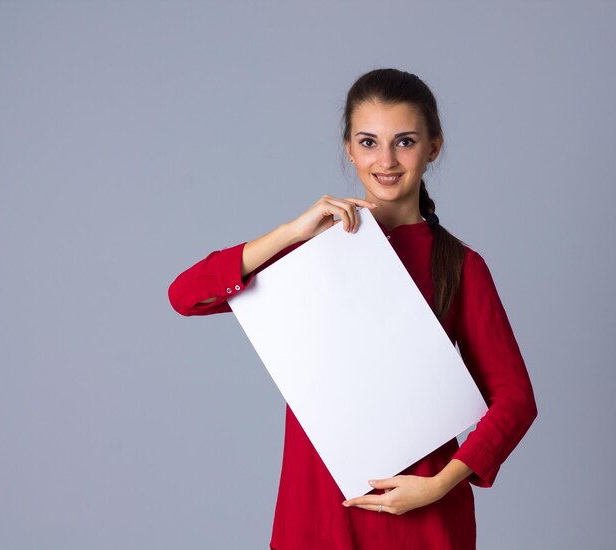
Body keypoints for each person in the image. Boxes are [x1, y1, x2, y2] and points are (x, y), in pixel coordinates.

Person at [168, 68, 538, 550]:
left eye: (404, 142)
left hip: (421, 507)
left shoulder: (461, 266)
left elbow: (515, 400)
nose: (385, 160)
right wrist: (291, 233)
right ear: (348, 148)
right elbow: (187, 296)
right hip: (319, 508)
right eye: (368, 142)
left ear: (433, 147)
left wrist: (440, 484)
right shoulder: (312, 249)